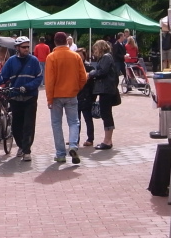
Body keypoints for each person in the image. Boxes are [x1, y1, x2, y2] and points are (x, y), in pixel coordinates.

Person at [0, 36, 42, 161]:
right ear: (17, 48)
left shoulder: (34, 61)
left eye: (28, 47)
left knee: (28, 125)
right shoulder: (11, 61)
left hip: (30, 97)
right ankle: (21, 146)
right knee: (16, 125)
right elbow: (3, 77)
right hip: (15, 97)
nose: (26, 49)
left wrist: (27, 87)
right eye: (24, 47)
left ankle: (27, 151)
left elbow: (39, 78)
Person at [44, 32, 86, 164]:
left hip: (56, 95)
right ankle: (73, 145)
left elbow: (49, 80)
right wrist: (76, 88)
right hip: (71, 94)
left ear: (55, 42)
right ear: (67, 42)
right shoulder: (75, 56)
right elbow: (83, 77)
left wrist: (49, 98)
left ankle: (60, 154)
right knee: (74, 122)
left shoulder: (51, 57)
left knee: (56, 124)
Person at [90, 40, 121, 150]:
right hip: (107, 89)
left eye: (95, 49)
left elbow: (102, 72)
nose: (94, 51)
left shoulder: (106, 57)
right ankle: (107, 140)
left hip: (106, 90)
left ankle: (107, 141)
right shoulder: (107, 57)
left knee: (106, 114)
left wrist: (91, 73)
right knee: (106, 114)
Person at [76, 49, 96, 147]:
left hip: (86, 96)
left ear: (84, 56)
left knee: (88, 119)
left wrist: (92, 97)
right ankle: (75, 139)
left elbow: (93, 84)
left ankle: (90, 139)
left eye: (81, 55)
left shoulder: (89, 67)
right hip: (76, 96)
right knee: (76, 120)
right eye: (77, 55)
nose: (79, 57)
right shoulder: (73, 66)